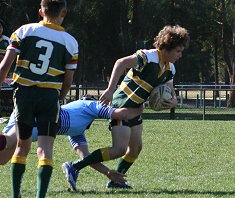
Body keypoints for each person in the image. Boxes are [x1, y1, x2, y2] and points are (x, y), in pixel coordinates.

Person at [63, 25, 190, 190]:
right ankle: (74, 166)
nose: (180, 55)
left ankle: (116, 181)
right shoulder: (147, 56)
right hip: (121, 105)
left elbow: (171, 93)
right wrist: (109, 90)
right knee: (119, 149)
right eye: (178, 51)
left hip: (136, 109)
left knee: (135, 149)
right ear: (166, 47)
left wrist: (173, 102)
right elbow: (121, 62)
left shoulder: (170, 69)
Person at [0, 99, 143, 186]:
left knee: (1, 158)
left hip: (37, 121)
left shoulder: (79, 129)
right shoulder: (89, 105)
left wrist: (107, 172)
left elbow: (84, 157)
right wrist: (142, 104)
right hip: (39, 119)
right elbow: (118, 112)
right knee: (8, 142)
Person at [0, 1, 78, 197]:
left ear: (40, 11)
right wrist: (59, 100)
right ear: (64, 13)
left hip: (25, 94)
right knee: (45, 150)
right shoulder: (70, 42)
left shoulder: (24, 31)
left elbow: (4, 66)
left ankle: (15, 195)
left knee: (21, 147)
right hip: (49, 97)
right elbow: (68, 82)